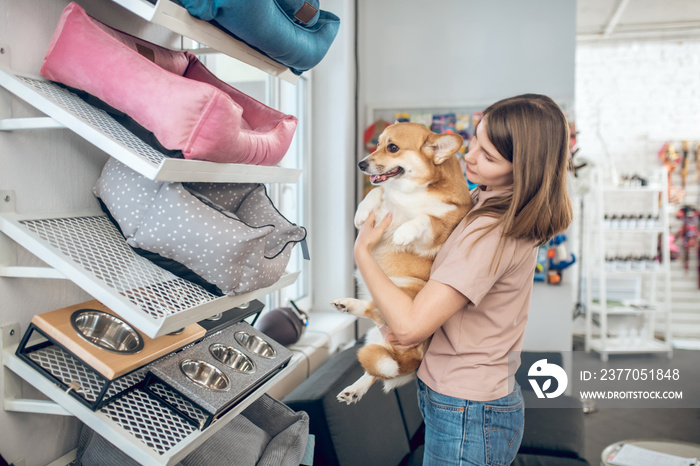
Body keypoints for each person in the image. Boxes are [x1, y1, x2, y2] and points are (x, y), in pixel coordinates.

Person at [353, 94, 573, 465]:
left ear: (522, 169)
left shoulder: (490, 231)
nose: (468, 157)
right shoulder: (480, 199)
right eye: (474, 140)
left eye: (488, 157)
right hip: (465, 397)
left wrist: (363, 252)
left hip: (469, 408)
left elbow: (407, 329)